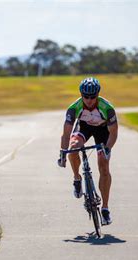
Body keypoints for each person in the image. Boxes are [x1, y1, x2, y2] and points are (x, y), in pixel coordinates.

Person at [57, 77, 118, 225]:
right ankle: (77, 178)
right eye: (86, 96)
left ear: (97, 94)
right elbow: (66, 134)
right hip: (84, 126)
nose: (89, 100)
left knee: (103, 166)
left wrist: (107, 149)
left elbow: (114, 133)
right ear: (81, 94)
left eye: (92, 97)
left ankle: (105, 208)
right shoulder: (74, 108)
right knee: (73, 148)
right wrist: (63, 153)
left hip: (103, 131)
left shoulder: (107, 108)